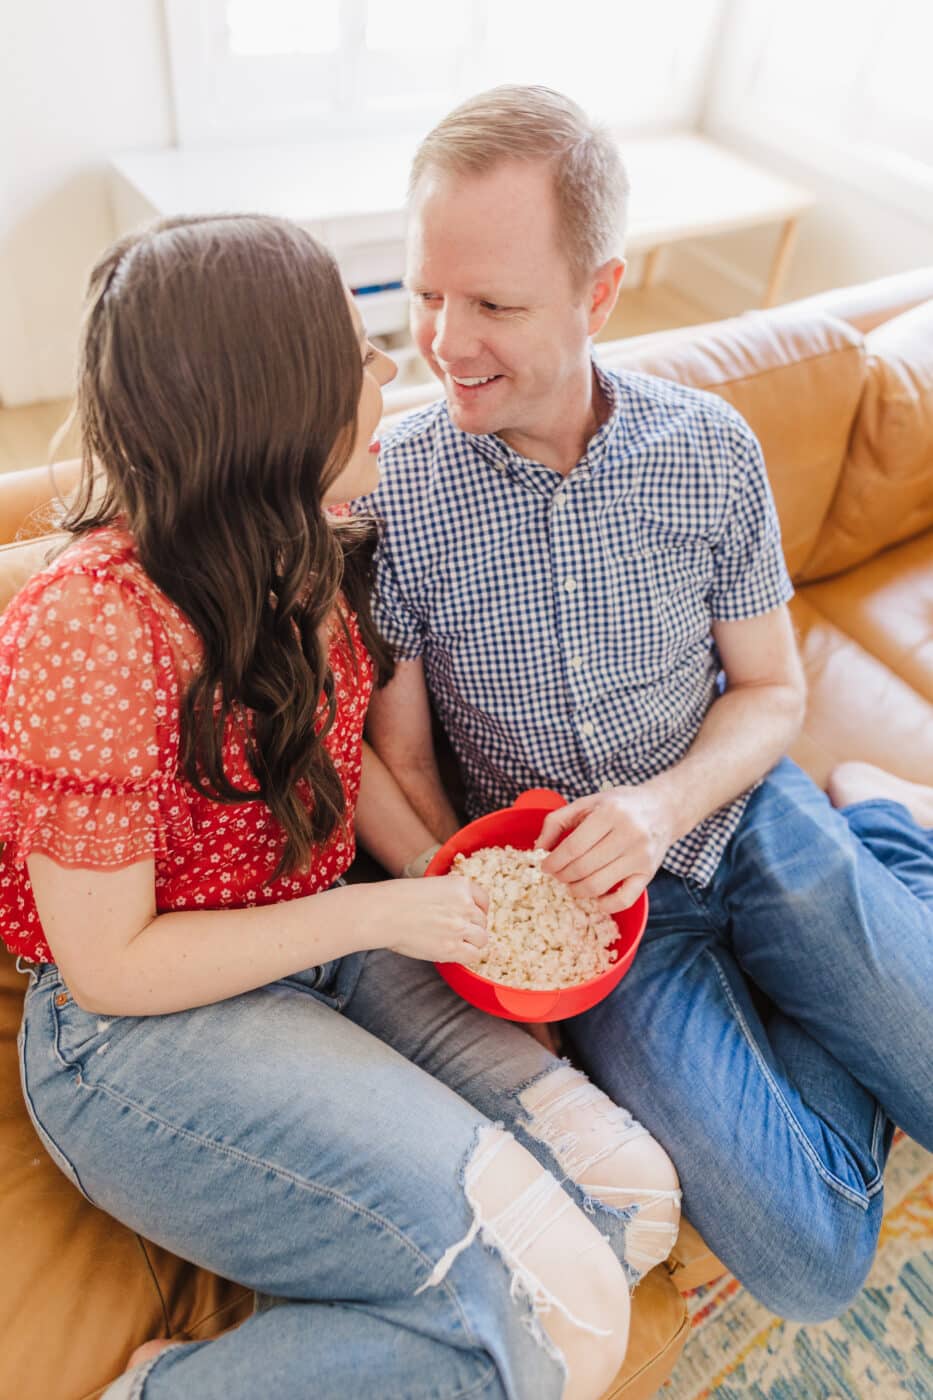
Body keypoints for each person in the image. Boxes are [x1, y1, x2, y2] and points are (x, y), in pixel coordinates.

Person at [2, 214, 681, 1400]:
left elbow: (317, 753)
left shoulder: (306, 537)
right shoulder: (90, 626)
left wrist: (446, 876)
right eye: (355, 350)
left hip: (314, 951)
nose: (391, 368)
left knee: (637, 1204)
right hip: (137, 1031)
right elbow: (108, 966)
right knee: (567, 1317)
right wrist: (382, 921)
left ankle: (373, 1303)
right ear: (272, 407)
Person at [359, 85, 933, 1323]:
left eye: (495, 304)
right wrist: (495, 928)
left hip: (742, 812)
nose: (446, 343)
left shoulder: (708, 449)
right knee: (809, 1264)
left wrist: (661, 798)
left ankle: (887, 835)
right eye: (425, 293)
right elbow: (398, 765)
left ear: (599, 294)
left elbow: (775, 687)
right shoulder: (396, 493)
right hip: (599, 922)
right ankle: (874, 899)